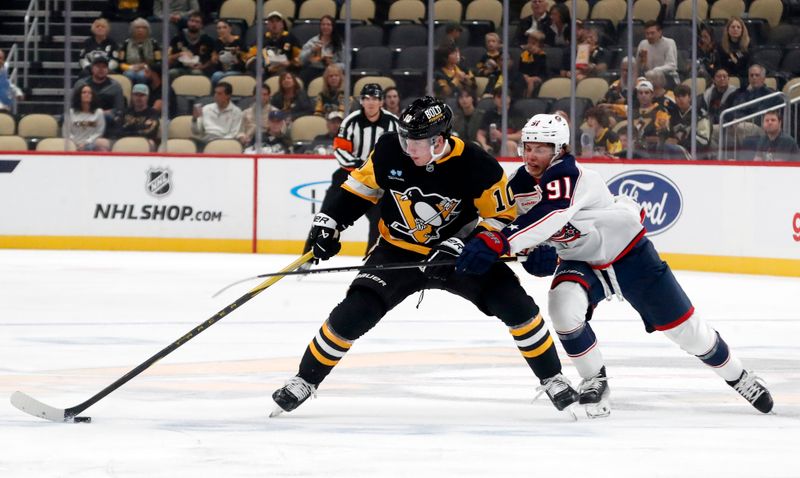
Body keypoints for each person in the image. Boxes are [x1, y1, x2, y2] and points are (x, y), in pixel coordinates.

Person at [271, 97, 579, 417]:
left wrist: (467, 244)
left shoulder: (477, 163)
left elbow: (502, 216)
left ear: (439, 140)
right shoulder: (390, 149)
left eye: (416, 142)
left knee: (518, 307)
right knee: (355, 311)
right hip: (398, 249)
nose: (408, 148)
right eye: (405, 138)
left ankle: (553, 377)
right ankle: (304, 380)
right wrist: (329, 221)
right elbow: (357, 191)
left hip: (459, 253)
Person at [455, 113, 774, 417]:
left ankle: (739, 376)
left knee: (690, 334)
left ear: (560, 150)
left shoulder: (573, 176)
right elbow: (519, 228)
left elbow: (551, 215)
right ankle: (595, 379)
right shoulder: (517, 186)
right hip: (581, 261)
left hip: (631, 257)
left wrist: (505, 242)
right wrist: (530, 254)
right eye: (527, 147)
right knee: (563, 308)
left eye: (541, 148)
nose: (532, 155)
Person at [302, 83, 399, 257]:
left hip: (378, 180)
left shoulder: (393, 123)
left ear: (381, 102)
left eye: (375, 98)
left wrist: (380, 170)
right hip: (348, 175)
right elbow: (340, 150)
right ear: (361, 101)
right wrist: (362, 166)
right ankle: (308, 255)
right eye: (367, 98)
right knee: (327, 214)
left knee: (379, 220)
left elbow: (401, 151)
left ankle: (370, 259)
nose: (371, 102)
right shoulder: (350, 121)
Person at [73, 56, 126, 129]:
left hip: (105, 119)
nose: (101, 69)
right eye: (98, 66)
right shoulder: (81, 84)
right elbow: (73, 105)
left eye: (104, 67)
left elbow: (119, 109)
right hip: (84, 115)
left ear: (107, 70)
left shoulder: (115, 86)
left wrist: (103, 113)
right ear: (92, 69)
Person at [246, 11, 301, 76]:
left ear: (282, 24)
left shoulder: (290, 38)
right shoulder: (262, 39)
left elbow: (300, 57)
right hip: (265, 70)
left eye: (277, 21)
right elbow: (250, 57)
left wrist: (290, 63)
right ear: (268, 25)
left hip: (284, 70)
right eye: (272, 22)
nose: (274, 24)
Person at [167, 11, 217, 78]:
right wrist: (180, 54)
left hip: (199, 69)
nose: (193, 24)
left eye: (197, 22)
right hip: (181, 68)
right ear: (187, 22)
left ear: (201, 25)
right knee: (171, 73)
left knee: (196, 73)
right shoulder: (178, 37)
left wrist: (202, 67)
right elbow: (169, 58)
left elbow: (212, 60)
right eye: (191, 21)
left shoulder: (208, 40)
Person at [476, 87, 521, 156]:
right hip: (492, 146)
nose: (502, 100)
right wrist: (484, 145)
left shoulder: (517, 113)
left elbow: (520, 135)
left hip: (512, 146)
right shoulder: (489, 114)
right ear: (494, 99)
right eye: (499, 97)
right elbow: (481, 134)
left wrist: (502, 136)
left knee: (509, 145)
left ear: (509, 98)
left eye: (505, 97)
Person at [298, 15, 343, 85]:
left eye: (328, 25)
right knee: (303, 74)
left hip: (332, 71)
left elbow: (346, 64)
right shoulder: (313, 41)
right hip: (314, 69)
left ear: (333, 27)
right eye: (323, 24)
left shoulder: (339, 43)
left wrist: (333, 65)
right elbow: (301, 59)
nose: (325, 27)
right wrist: (312, 50)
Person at [64, 85, 111, 151]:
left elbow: (99, 132)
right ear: (79, 96)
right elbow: (66, 132)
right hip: (74, 144)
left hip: (91, 144)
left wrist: (86, 143)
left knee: (103, 143)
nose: (87, 94)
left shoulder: (98, 112)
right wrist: (76, 143)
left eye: (89, 93)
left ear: (92, 96)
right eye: (84, 92)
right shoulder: (70, 112)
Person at [118, 17, 163, 85]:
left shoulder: (154, 43)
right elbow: (120, 62)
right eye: (137, 27)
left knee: (141, 75)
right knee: (129, 75)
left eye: (144, 28)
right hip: (130, 69)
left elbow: (159, 62)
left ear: (148, 30)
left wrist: (145, 66)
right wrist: (131, 67)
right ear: (132, 30)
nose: (140, 30)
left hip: (148, 69)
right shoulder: (126, 44)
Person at [667, 84, 710, 153]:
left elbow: (703, 142)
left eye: (683, 96)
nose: (680, 99)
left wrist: (679, 142)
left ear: (689, 98)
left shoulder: (700, 115)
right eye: (678, 96)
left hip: (695, 155)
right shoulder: (672, 114)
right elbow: (668, 136)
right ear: (675, 99)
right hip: (675, 151)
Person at [117, 83, 160, 150]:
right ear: (132, 96)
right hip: (125, 140)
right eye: (136, 95)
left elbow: (150, 132)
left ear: (147, 97)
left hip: (144, 140)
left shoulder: (153, 113)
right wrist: (139, 128)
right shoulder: (125, 112)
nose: (138, 98)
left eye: (142, 95)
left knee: (151, 143)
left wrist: (129, 129)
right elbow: (118, 130)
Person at [636, 20, 679, 89]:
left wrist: (655, 70)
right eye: (647, 33)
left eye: (652, 33)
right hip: (648, 79)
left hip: (667, 78)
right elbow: (637, 66)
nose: (649, 36)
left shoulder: (669, 43)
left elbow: (672, 65)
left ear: (660, 32)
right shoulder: (643, 44)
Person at [237, 81, 279, 148]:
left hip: (269, 145)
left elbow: (280, 132)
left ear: (269, 96)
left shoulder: (275, 112)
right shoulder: (245, 113)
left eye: (265, 94)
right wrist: (242, 138)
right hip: (248, 144)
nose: (262, 97)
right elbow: (240, 131)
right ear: (254, 96)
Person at [210, 19, 248, 85]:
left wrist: (238, 53)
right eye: (219, 28)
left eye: (224, 27)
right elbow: (214, 58)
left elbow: (246, 57)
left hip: (237, 70)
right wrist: (214, 59)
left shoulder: (239, 41)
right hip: (222, 70)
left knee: (226, 76)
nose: (222, 30)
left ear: (230, 29)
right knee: (216, 76)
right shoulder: (217, 42)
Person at [717, 17, 751, 84]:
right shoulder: (720, 46)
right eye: (733, 27)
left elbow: (749, 67)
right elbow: (719, 66)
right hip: (725, 80)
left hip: (744, 79)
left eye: (738, 27)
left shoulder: (749, 45)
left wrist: (736, 62)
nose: (735, 29)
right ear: (728, 30)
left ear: (742, 30)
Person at [519, 29, 547, 98]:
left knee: (530, 81)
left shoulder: (542, 55)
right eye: (529, 42)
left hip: (540, 76)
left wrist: (535, 55)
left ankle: (528, 99)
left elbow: (536, 71)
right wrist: (523, 75)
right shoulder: (524, 54)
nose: (530, 45)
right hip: (527, 76)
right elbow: (520, 69)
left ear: (540, 46)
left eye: (533, 43)